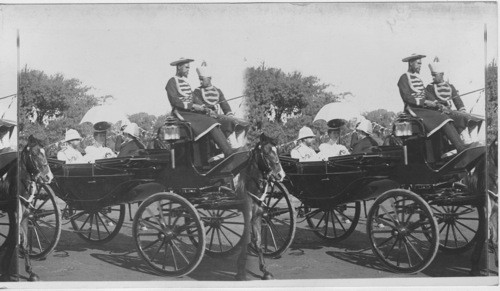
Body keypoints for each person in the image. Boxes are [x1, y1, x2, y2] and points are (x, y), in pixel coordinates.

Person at [165, 58, 236, 157]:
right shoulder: (171, 82)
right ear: (179, 67)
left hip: (190, 113)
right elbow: (175, 101)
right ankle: (228, 152)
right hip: (181, 113)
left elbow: (194, 98)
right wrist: (193, 106)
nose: (188, 70)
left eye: (189, 68)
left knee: (219, 120)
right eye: (186, 67)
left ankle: (221, 151)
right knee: (211, 122)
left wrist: (205, 108)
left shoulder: (186, 83)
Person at [397, 53, 467, 153]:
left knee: (450, 116)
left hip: (424, 109)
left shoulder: (419, 79)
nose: (420, 66)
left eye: (421, 64)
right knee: (443, 118)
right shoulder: (403, 78)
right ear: (411, 63)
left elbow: (426, 93)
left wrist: (437, 104)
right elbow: (407, 97)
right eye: (418, 63)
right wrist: (425, 102)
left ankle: (458, 146)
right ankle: (460, 149)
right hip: (414, 109)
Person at [192, 62, 249, 148]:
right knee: (227, 122)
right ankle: (234, 146)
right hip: (207, 120)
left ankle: (239, 145)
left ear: (209, 78)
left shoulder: (217, 91)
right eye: (199, 79)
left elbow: (225, 106)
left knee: (241, 122)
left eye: (202, 79)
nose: (200, 81)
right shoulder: (197, 91)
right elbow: (200, 106)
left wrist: (230, 115)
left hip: (218, 117)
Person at [425, 58, 483, 138]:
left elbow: (457, 101)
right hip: (439, 113)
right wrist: (440, 106)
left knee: (469, 117)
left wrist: (462, 110)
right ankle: (463, 139)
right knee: (459, 118)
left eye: (434, 75)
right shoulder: (429, 87)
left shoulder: (450, 86)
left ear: (441, 74)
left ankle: (471, 138)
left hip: (449, 111)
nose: (433, 77)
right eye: (432, 75)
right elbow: (431, 101)